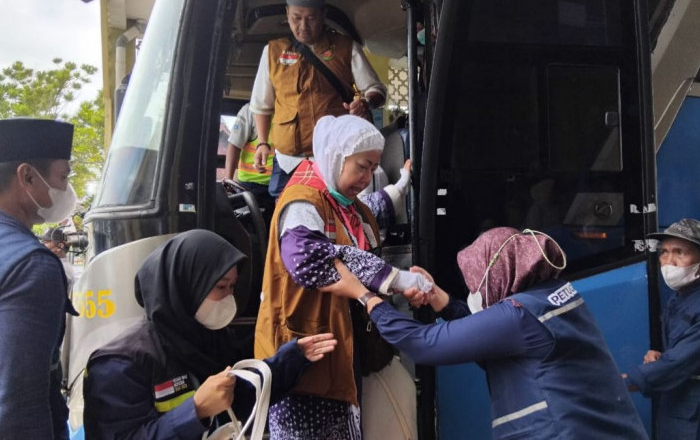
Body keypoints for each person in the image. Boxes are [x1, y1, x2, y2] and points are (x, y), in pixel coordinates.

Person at [322, 227, 649, 439]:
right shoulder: (548, 296)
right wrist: (439, 298)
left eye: (476, 283)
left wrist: (364, 296)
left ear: (497, 273)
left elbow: (422, 344)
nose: (475, 291)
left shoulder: (519, 316)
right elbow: (489, 331)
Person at [254, 115, 430, 439]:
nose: (366, 178)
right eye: (362, 166)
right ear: (337, 156)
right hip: (306, 358)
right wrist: (396, 279)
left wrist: (403, 182)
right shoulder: (302, 201)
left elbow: (375, 209)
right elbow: (311, 258)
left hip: (341, 352)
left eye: (373, 168)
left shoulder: (347, 203)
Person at [83, 229, 337, 439]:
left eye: (232, 287)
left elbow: (239, 399)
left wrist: (290, 360)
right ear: (187, 284)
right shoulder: (120, 363)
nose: (229, 298)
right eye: (220, 287)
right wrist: (195, 411)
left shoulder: (210, 339)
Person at [250, 0, 387, 197]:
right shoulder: (273, 52)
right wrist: (263, 143)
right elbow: (261, 105)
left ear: (322, 15)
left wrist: (366, 102)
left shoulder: (345, 47)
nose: (303, 26)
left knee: (331, 213)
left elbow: (376, 89)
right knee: (285, 212)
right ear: (287, 14)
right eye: (296, 18)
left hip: (333, 162)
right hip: (286, 162)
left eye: (311, 18)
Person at [0, 117, 78, 439]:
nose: (66, 189)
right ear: (28, 176)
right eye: (63, 177)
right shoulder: (33, 266)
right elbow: (19, 406)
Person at [623, 218, 700, 439]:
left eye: (679, 253)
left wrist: (626, 382)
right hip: (678, 407)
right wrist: (660, 356)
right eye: (664, 252)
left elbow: (679, 362)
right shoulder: (680, 298)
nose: (668, 261)